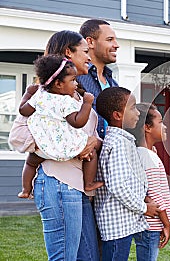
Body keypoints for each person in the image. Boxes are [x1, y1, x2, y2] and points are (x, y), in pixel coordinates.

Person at [35, 30, 102, 261]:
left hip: (79, 188)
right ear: (68, 53)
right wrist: (73, 149)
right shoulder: (43, 96)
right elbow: (19, 137)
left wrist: (93, 142)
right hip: (59, 183)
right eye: (85, 52)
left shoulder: (76, 95)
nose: (89, 58)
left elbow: (90, 137)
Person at [17, 55, 103, 199]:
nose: (76, 84)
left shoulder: (39, 96)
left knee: (31, 163)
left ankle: (26, 189)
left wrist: (27, 93)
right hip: (66, 146)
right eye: (73, 80)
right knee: (91, 154)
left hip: (43, 146)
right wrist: (87, 103)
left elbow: (23, 111)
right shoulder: (65, 101)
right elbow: (78, 122)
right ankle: (88, 183)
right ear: (58, 83)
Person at [94, 87, 161, 261]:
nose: (138, 112)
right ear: (117, 115)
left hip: (123, 223)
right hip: (117, 226)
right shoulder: (118, 144)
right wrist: (144, 208)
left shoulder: (123, 140)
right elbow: (117, 185)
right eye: (132, 108)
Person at [130, 103, 170, 261]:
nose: (165, 126)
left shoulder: (145, 153)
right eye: (161, 122)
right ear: (147, 127)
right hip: (151, 224)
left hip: (147, 224)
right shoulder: (147, 156)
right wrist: (166, 224)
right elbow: (154, 196)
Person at [77, 19, 119, 139]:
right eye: (110, 40)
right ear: (90, 42)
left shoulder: (114, 85)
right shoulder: (75, 78)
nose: (116, 45)